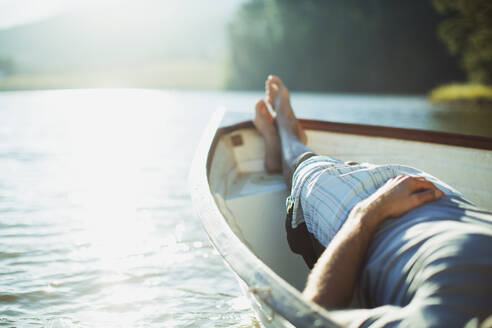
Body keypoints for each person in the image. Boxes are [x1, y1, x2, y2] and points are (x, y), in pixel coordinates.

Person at [253, 75, 492, 327]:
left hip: (380, 224)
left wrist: (367, 213)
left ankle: (287, 136)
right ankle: (285, 141)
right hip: (450, 204)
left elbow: (313, 315)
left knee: (312, 171)